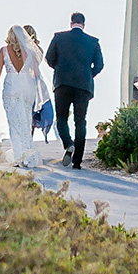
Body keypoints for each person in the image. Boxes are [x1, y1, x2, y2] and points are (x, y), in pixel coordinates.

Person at [45, 12, 104, 168]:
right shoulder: (93, 42)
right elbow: (100, 65)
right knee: (80, 121)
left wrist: (60, 69)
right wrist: (88, 75)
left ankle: (68, 143)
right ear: (83, 25)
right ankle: (77, 161)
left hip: (62, 84)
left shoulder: (58, 37)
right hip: (83, 86)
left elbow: (49, 58)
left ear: (71, 23)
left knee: (62, 118)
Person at [0, 25, 48, 168]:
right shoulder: (30, 51)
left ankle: (19, 156)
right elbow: (36, 72)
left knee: (13, 122)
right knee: (26, 120)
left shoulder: (3, 50)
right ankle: (28, 155)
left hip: (12, 86)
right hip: (27, 86)